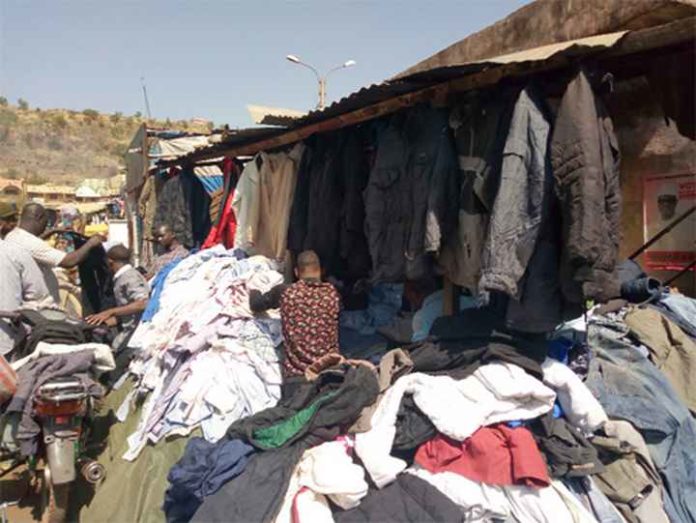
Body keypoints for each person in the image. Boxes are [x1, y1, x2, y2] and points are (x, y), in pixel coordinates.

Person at [250, 250, 341, 379]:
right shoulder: (333, 294)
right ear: (321, 271)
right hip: (329, 368)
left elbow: (255, 304)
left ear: (296, 272)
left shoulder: (286, 292)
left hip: (297, 374)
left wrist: (252, 288)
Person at [4, 203, 103, 304]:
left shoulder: (13, 236)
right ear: (38, 217)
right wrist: (91, 243)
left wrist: (53, 231)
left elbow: (31, 245)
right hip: (40, 307)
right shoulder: (30, 243)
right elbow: (69, 261)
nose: (44, 227)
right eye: (45, 223)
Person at [0, 206, 53, 355]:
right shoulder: (15, 253)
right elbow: (40, 297)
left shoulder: (15, 252)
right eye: (12, 221)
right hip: (7, 341)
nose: (14, 226)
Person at [86, 245, 149, 351]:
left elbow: (142, 303)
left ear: (110, 262)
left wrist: (110, 312)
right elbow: (126, 312)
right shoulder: (122, 277)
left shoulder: (130, 277)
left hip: (136, 333)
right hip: (128, 331)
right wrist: (99, 322)